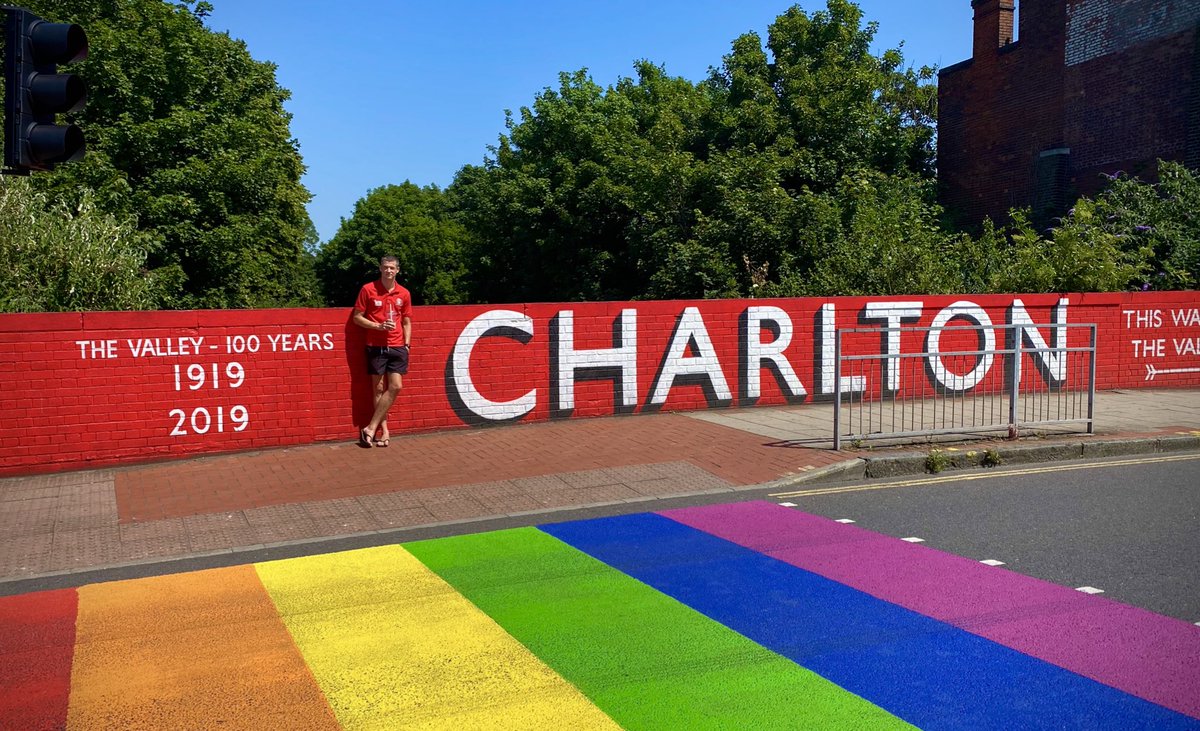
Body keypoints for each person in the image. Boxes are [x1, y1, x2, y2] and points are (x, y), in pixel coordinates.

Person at [352, 255, 412, 447]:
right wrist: (378, 326)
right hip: (375, 346)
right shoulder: (368, 289)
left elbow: (407, 321)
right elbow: (357, 317)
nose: (388, 270)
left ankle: (370, 427)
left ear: (397, 270)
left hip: (397, 345)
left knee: (396, 386)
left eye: (392, 268)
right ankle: (384, 431)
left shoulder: (404, 293)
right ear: (380, 268)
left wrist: (407, 344)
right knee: (378, 388)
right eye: (385, 267)